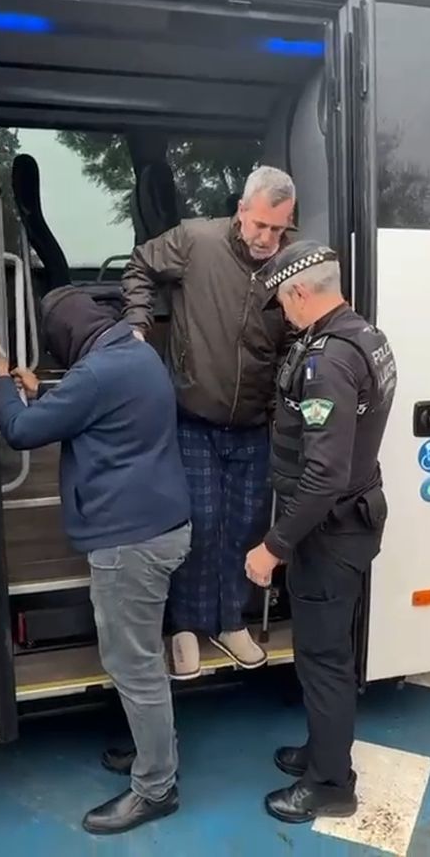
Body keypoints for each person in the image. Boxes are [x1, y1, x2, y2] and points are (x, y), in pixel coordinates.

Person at [0, 286, 192, 835]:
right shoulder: (135, 353)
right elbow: (94, 405)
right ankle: (157, 750)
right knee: (144, 658)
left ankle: (157, 788)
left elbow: (22, 430)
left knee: (134, 666)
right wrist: (42, 390)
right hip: (160, 526)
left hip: (130, 543)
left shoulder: (97, 374)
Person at [242, 241, 398, 823]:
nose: (284, 314)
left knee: (324, 658)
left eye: (284, 303)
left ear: (302, 292)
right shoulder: (365, 336)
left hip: (329, 533)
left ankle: (332, 783)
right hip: (347, 522)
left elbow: (325, 474)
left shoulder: (328, 359)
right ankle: (322, 751)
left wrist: (273, 546)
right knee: (326, 652)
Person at [121, 165, 297, 678]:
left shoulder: (291, 259)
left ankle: (229, 621)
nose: (267, 238)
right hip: (193, 415)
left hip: (254, 422)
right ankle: (184, 626)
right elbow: (139, 265)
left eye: (278, 228)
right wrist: (138, 324)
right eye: (260, 224)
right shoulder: (196, 240)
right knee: (197, 524)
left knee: (244, 526)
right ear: (241, 210)